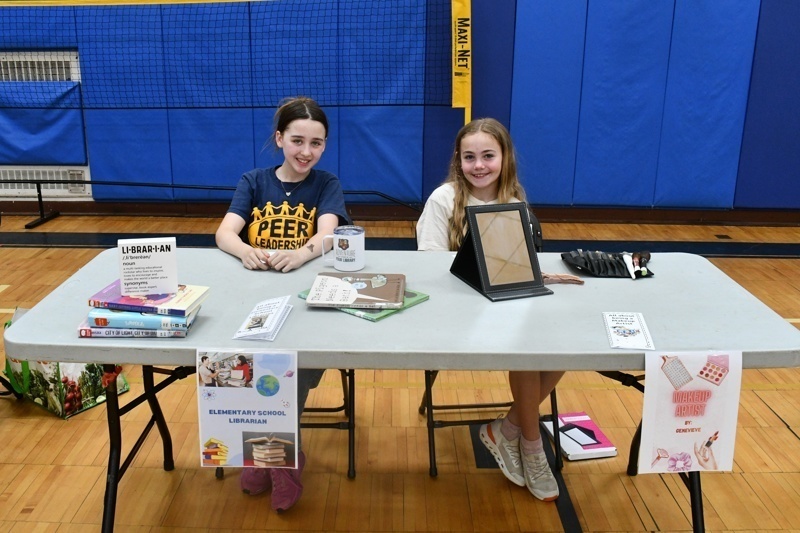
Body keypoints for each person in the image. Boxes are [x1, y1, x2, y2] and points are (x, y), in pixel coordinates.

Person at [416, 117, 573, 501]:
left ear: (505, 157)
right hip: (454, 312)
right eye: (470, 157)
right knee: (527, 345)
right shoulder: (442, 200)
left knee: (564, 345)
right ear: (458, 159)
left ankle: (507, 429)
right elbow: (428, 267)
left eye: (488, 155)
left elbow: (516, 261)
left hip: (503, 308)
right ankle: (532, 445)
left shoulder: (515, 202)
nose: (479, 165)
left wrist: (536, 274)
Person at [216, 96, 349, 512]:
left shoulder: (326, 184)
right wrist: (243, 251)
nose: (307, 152)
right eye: (297, 141)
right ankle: (278, 459)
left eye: (317, 143)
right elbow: (225, 233)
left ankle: (276, 462)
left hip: (307, 305)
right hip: (254, 304)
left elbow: (328, 234)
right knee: (245, 371)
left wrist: (303, 253)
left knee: (283, 379)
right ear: (279, 139)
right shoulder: (254, 180)